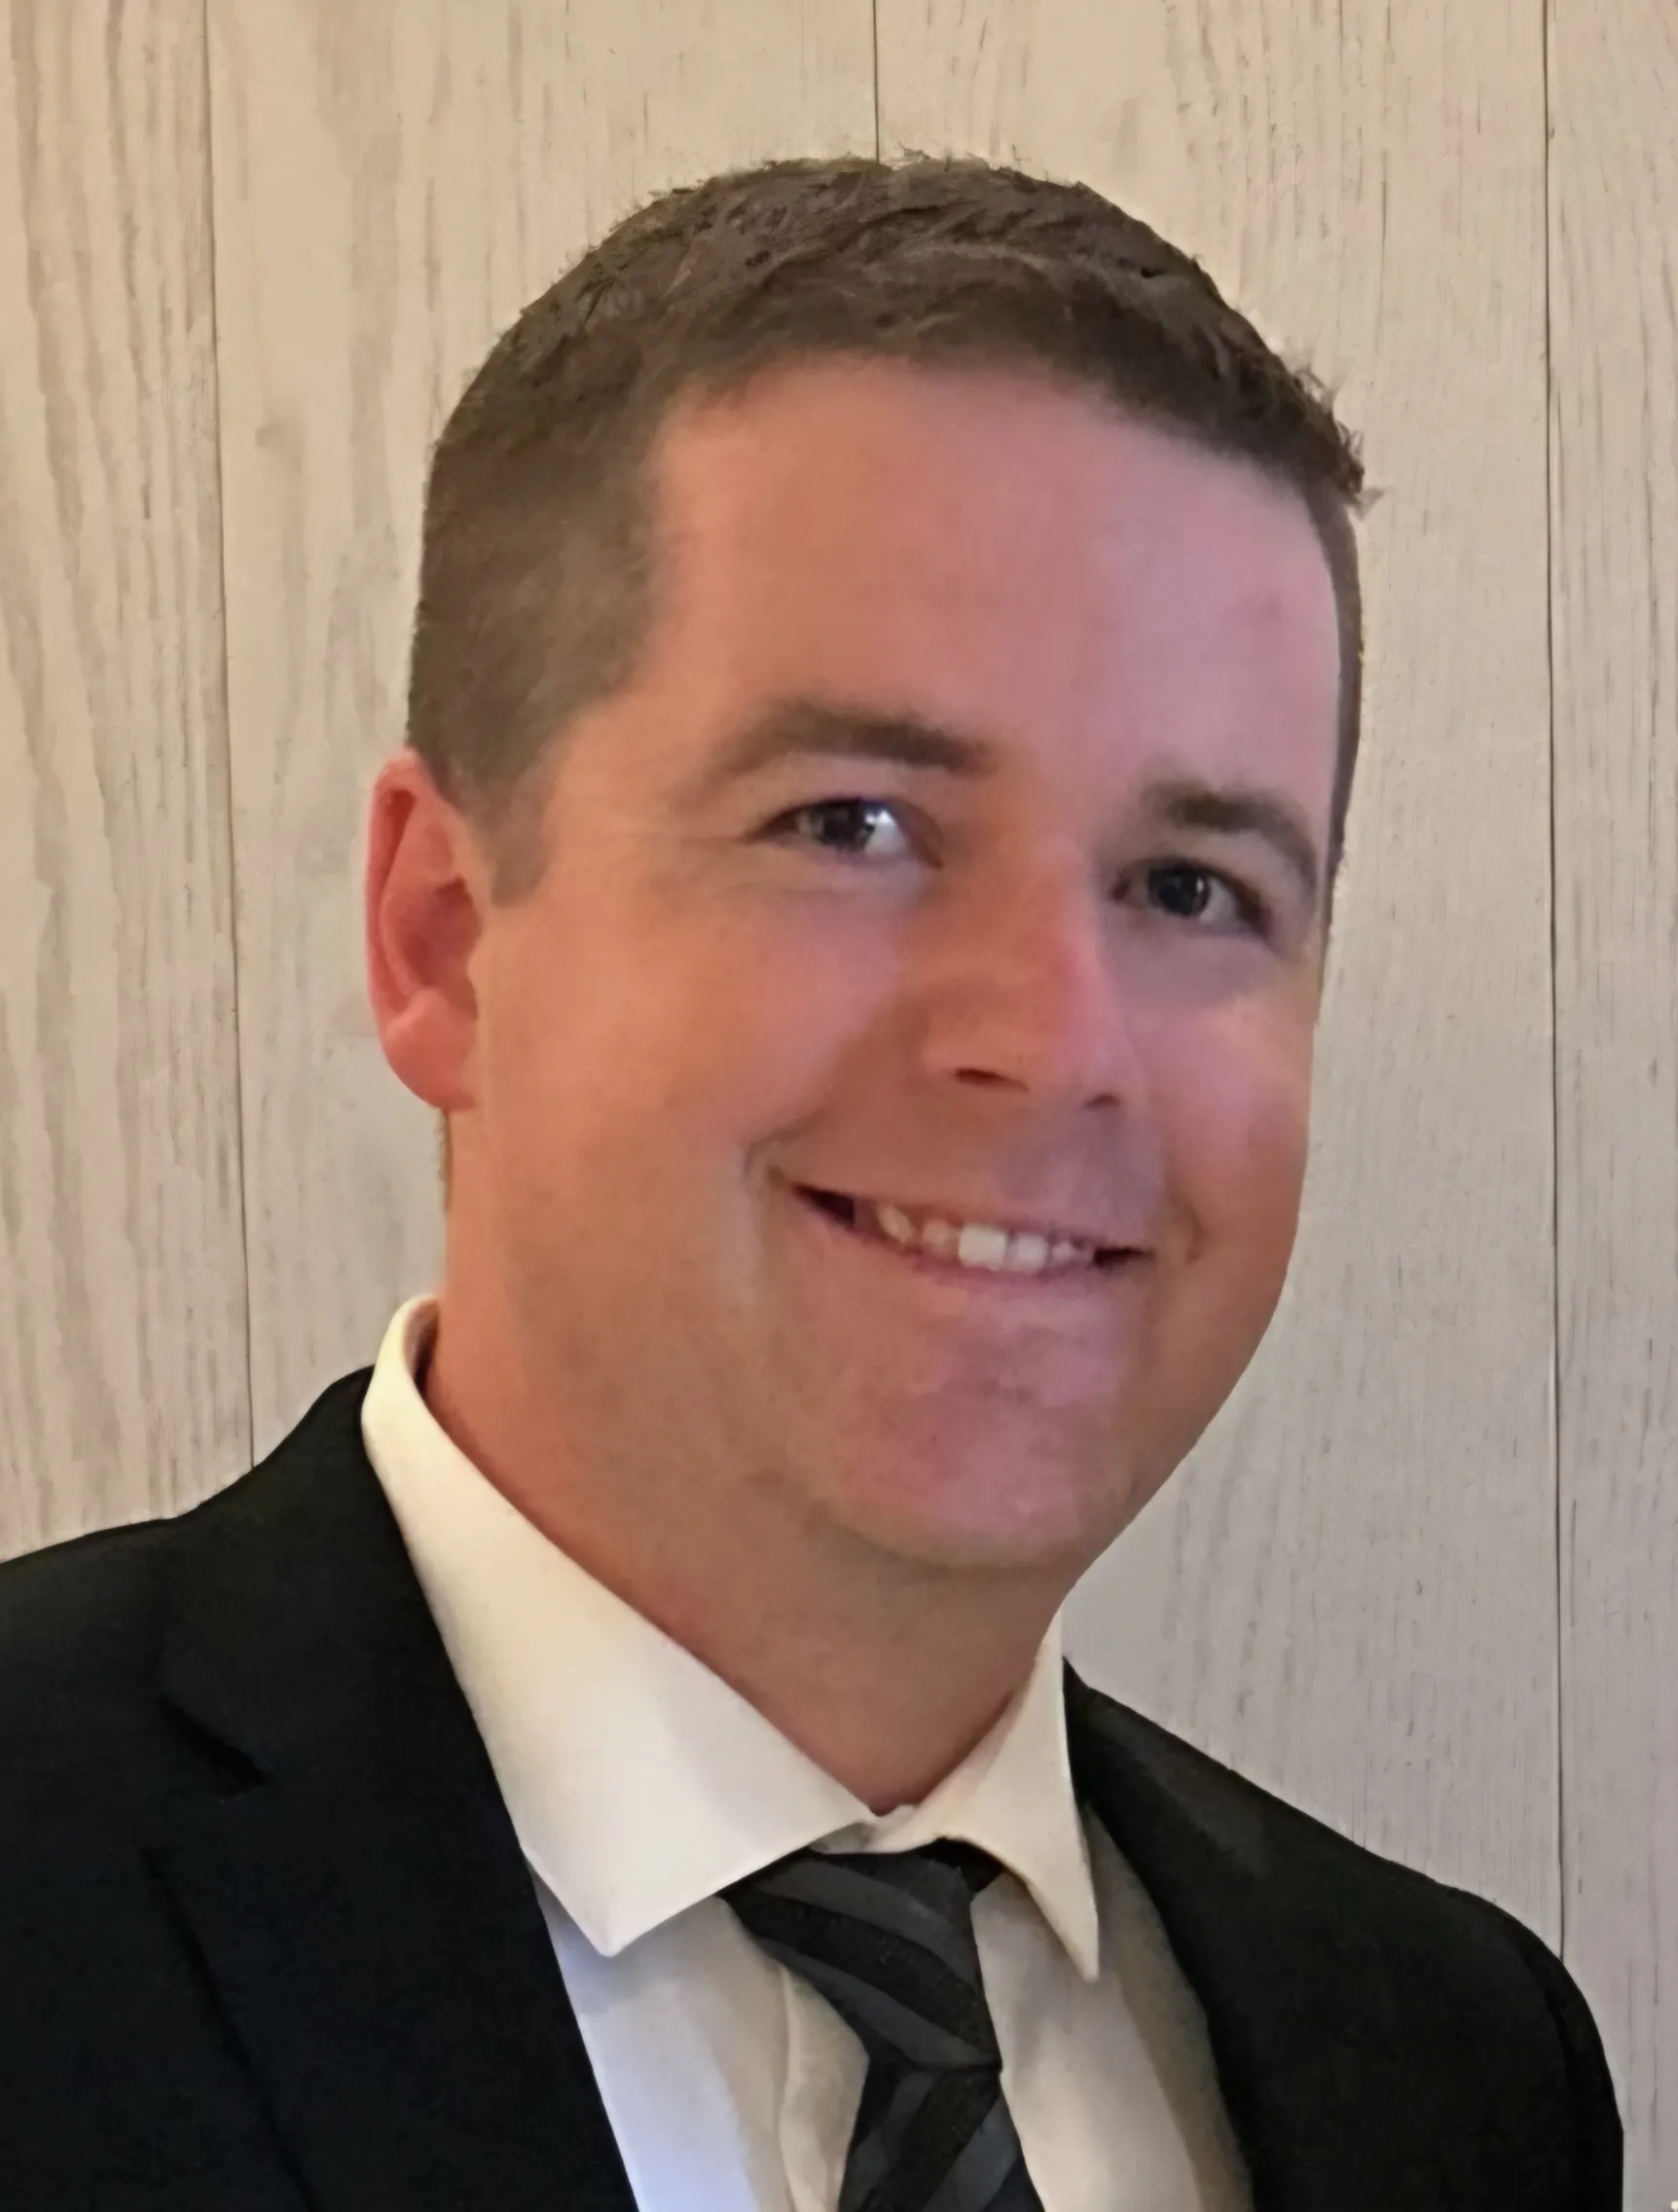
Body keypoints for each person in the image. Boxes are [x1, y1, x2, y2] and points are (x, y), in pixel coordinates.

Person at [0, 155, 1620, 2210]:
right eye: (852, 822)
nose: (1048, 1035)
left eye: (1191, 885)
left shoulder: (1452, 2060)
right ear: (441, 933)